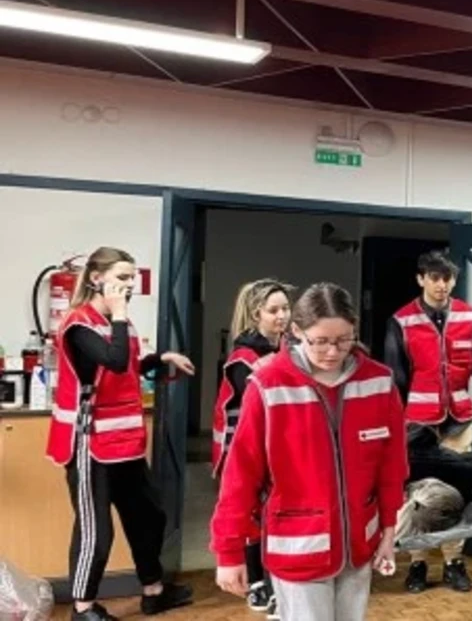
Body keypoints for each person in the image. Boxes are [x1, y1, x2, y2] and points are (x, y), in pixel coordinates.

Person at [212, 283, 408, 621]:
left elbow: (392, 466)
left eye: (343, 340)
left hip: (359, 546)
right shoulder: (268, 385)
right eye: (320, 341)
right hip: (297, 547)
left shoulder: (379, 382)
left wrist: (389, 528)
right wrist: (229, 551)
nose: (332, 351)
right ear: (296, 332)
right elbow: (240, 475)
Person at [45, 246, 196, 621]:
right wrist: (120, 313)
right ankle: (82, 608)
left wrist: (159, 359)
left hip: (124, 444)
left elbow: (126, 364)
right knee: (97, 531)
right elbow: (112, 361)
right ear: (97, 278)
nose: (130, 285)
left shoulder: (117, 323)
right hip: (90, 443)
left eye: (132, 277)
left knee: (149, 516)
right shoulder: (80, 324)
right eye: (123, 277)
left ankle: (154, 591)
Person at [382, 249, 472, 594]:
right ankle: (418, 564)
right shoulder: (401, 321)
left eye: (448, 278)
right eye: (435, 278)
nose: (442, 285)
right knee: (421, 494)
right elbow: (395, 381)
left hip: (458, 421)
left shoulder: (469, 316)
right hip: (416, 425)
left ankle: (454, 563)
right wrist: (393, 429)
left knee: (459, 490)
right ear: (421, 279)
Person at [211, 278, 293, 618]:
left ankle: (275, 581)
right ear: (256, 313)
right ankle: (257, 582)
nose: (282, 316)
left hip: (278, 445)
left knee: (274, 514)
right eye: (274, 310)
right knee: (251, 516)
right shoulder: (243, 357)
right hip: (243, 449)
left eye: (286, 308)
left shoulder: (287, 346)